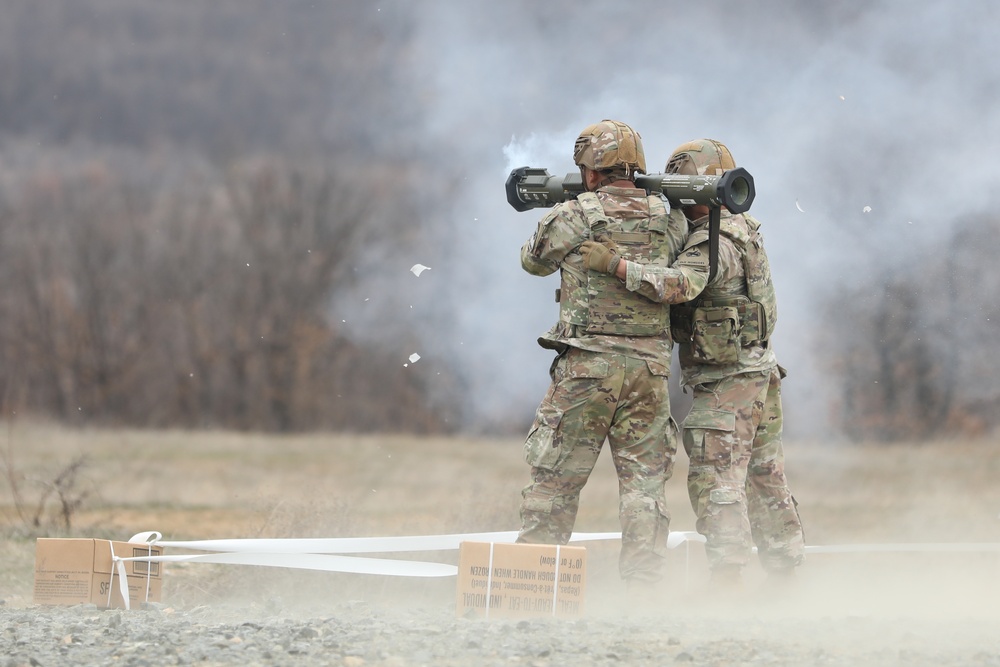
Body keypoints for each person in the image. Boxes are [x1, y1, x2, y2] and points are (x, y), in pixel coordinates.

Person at [588, 139, 805, 588]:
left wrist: (616, 264)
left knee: (716, 480)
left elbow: (678, 286)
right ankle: (787, 575)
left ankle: (729, 582)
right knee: (766, 478)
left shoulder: (714, 243)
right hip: (758, 373)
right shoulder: (742, 227)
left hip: (729, 382)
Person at [516, 119, 688, 589]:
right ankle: (643, 593)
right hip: (649, 371)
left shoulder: (574, 214)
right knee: (644, 487)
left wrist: (563, 208)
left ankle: (533, 589)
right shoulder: (668, 216)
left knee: (555, 478)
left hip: (587, 368)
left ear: (591, 170)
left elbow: (532, 261)